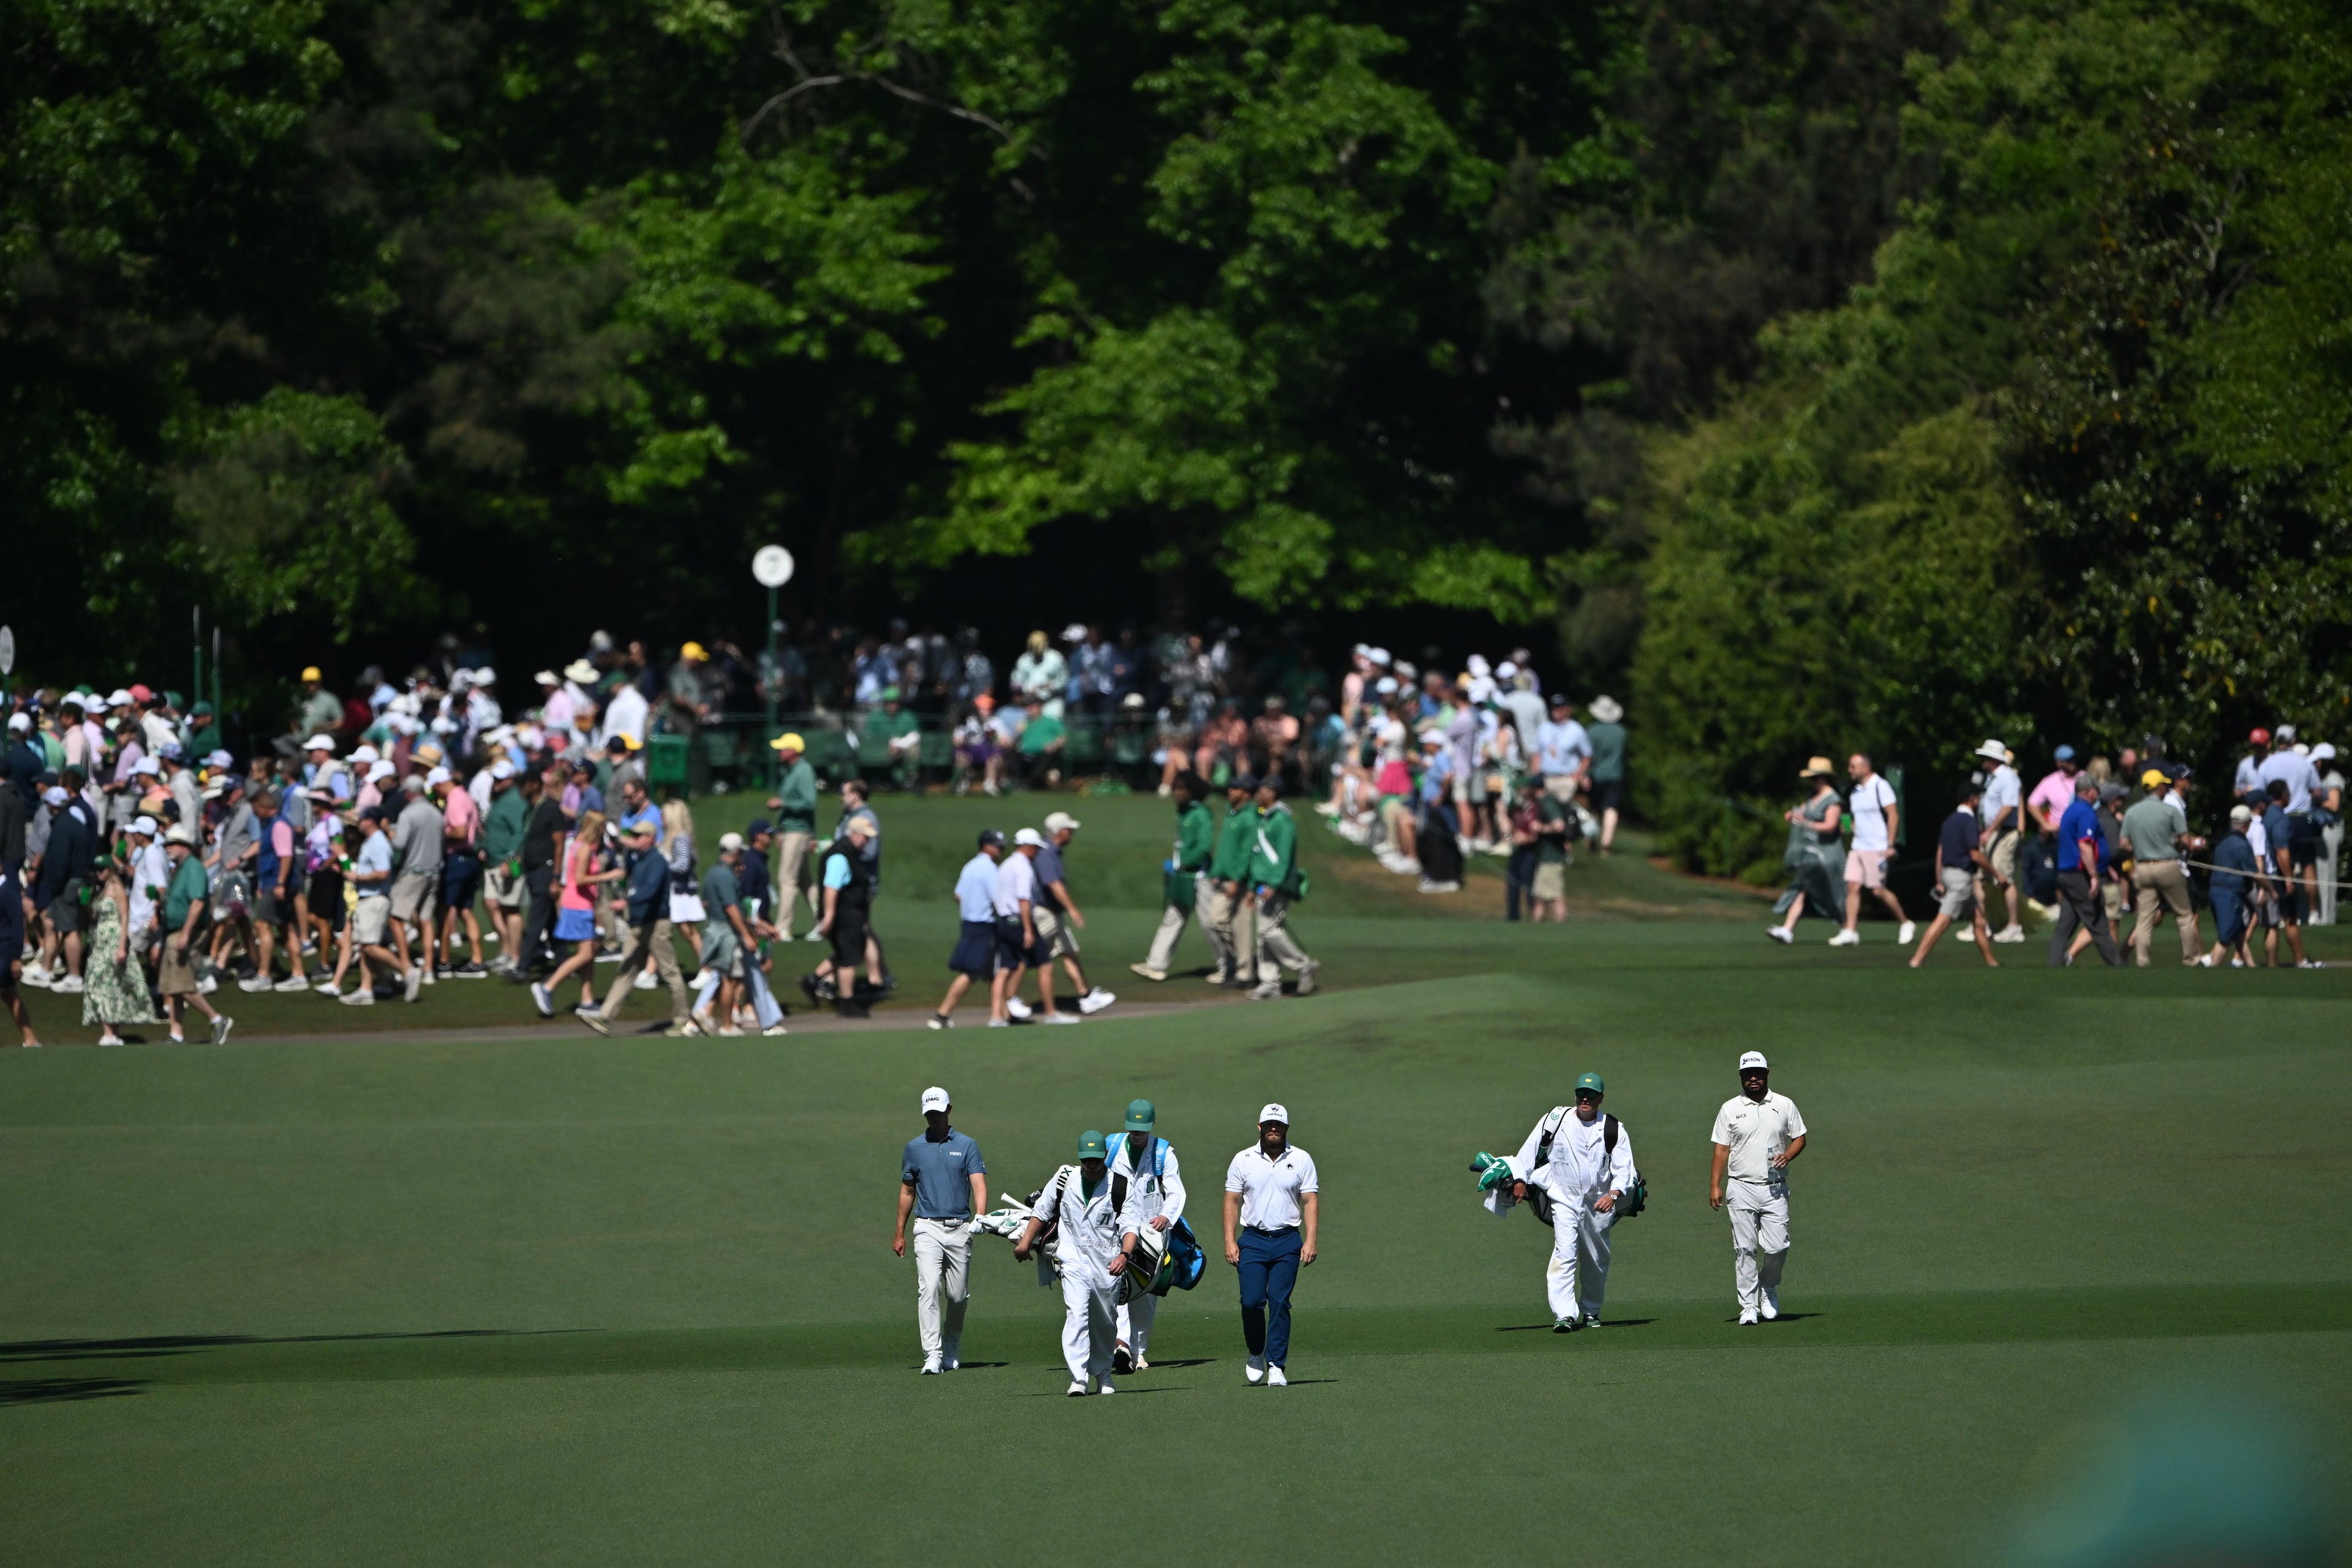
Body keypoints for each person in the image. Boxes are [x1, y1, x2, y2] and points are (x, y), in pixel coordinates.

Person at [1511, 1072, 1635, 1332]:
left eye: (1591, 1095)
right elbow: (1529, 1150)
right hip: (1563, 1198)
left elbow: (1625, 1170)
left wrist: (1612, 1196)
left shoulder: (1613, 1128)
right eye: (1581, 1094)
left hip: (1599, 1202)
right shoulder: (1555, 1120)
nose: (1585, 1099)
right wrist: (1520, 1180)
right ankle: (1564, 1314)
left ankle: (1591, 1311)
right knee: (1564, 1253)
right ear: (1576, 1095)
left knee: (1595, 1257)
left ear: (1601, 1098)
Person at [1016, 1128, 1124, 1396]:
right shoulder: (1065, 1177)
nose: (1091, 1165)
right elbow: (1042, 1211)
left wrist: (1125, 1255)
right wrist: (1025, 1243)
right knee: (1076, 1313)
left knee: (1105, 1320)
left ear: (1105, 1157)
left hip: (1107, 1259)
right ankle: (1079, 1378)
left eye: (1096, 1160)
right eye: (1086, 1160)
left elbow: (1130, 1226)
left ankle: (1103, 1373)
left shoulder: (1120, 1185)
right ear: (1080, 1158)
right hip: (1072, 1256)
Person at [1223, 1103, 1317, 1387]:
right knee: (1251, 1301)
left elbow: (1310, 1201)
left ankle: (1276, 1364)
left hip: (1288, 1240)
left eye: (1279, 1124)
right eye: (1269, 1124)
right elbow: (1232, 1201)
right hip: (1252, 1239)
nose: (1273, 1128)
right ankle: (1256, 1351)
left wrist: (1310, 1240)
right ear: (1260, 1127)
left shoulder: (1301, 1159)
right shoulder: (1243, 1159)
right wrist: (1229, 1240)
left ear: (1286, 1128)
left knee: (1279, 1302)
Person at [895, 1086, 987, 1376]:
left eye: (938, 1112)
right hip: (927, 1228)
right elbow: (908, 1191)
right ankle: (932, 1354)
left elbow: (978, 1185)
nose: (934, 1118)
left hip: (960, 1228)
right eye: (929, 1113)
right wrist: (900, 1231)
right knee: (929, 1288)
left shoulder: (967, 1145)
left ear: (949, 1110)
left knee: (958, 1296)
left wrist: (980, 1217)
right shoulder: (913, 1148)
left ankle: (952, 1345)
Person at [1709, 1051, 1806, 1326]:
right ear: (1741, 1076)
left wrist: (1788, 1155)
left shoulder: (1784, 1105)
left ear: (1766, 1075)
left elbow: (1800, 1137)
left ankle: (1769, 1287)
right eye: (1748, 1074)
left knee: (1778, 1246)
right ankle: (1749, 1306)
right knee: (1745, 1249)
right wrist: (1715, 1185)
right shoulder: (1729, 1108)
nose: (1754, 1078)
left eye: (1759, 1073)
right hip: (1741, 1187)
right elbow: (1722, 1148)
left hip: (1775, 1188)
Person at [587, 807, 694, 1037]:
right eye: (633, 836)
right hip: (638, 923)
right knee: (626, 971)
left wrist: (625, 903)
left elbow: (649, 892)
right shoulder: (639, 859)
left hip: (656, 924)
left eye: (638, 836)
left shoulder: (657, 861)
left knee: (670, 973)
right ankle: (605, 1017)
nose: (633, 839)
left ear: (650, 838)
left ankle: (683, 1019)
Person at [1109, 1099, 1183, 1374]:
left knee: (1145, 1291)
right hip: (1118, 1227)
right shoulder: (1113, 1145)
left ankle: (1139, 1351)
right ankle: (1122, 1347)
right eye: (1133, 1128)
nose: (1137, 1133)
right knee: (1120, 1287)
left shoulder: (1164, 1152)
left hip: (1153, 1231)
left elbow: (1176, 1191)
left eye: (1142, 1128)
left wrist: (1167, 1216)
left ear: (1151, 1126)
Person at [1131, 772, 1218, 981]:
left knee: (1210, 923)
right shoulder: (1184, 812)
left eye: (1182, 789)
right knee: (1173, 917)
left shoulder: (1200, 814)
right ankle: (1156, 965)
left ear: (1192, 791)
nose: (1177, 793)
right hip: (1184, 875)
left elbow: (1204, 846)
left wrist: (1185, 862)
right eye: (1176, 789)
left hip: (1200, 876)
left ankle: (1228, 965)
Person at [1028, 810, 1114, 1014]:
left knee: (1070, 952)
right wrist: (1073, 910)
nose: (1072, 833)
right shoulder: (1046, 853)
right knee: (1026, 959)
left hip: (1053, 914)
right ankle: (1007, 1000)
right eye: (1070, 830)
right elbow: (1054, 885)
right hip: (1044, 914)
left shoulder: (1053, 851)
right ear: (1061, 832)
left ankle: (1086, 997)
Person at [1910, 775, 2000, 968]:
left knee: (1977, 919)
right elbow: (1975, 854)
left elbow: (1940, 852)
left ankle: (1991, 962)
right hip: (1961, 878)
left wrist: (1939, 880)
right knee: (1943, 921)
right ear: (1973, 798)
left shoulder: (1949, 821)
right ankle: (1916, 961)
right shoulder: (1968, 820)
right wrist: (1996, 873)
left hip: (1949, 874)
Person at [2120, 769, 2203, 967]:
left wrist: (2140, 848)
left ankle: (2142, 960)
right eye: (2163, 785)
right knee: (2184, 914)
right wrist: (2193, 844)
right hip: (2167, 866)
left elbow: (2123, 844)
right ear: (2158, 788)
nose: (2165, 788)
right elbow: (2185, 841)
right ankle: (2191, 958)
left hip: (2142, 867)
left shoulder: (2132, 811)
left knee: (2145, 917)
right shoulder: (2170, 810)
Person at [1245, 777, 1318, 999]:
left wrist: (1274, 884)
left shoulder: (1282, 821)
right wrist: (1252, 886)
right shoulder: (1265, 818)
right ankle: (1270, 982)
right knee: (1263, 934)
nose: (1258, 793)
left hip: (1275, 885)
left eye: (1262, 789)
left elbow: (1284, 858)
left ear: (1273, 792)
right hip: (1262, 883)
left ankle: (1302, 965)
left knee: (1268, 930)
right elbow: (1258, 855)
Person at [159, 825, 233, 1041]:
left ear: (185, 847)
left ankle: (217, 1020)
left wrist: (186, 934)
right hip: (175, 931)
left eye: (172, 844)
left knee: (182, 984)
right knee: (172, 986)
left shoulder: (193, 868)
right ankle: (176, 1033)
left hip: (187, 932)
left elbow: (198, 903)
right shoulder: (181, 869)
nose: (167, 848)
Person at [1830, 752, 1912, 947]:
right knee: (1853, 886)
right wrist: (1849, 828)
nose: (1850, 770)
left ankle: (1906, 923)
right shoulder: (1855, 791)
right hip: (1858, 846)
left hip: (1877, 847)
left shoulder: (1880, 786)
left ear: (1865, 768)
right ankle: (1850, 931)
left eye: (1853, 766)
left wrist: (1890, 845)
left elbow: (1893, 815)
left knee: (1877, 890)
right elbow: (1856, 821)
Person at [80, 852, 157, 1045]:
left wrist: (122, 946)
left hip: (114, 939)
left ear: (110, 870)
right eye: (96, 869)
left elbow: (125, 917)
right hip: (99, 940)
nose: (98, 873)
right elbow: (92, 918)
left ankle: (110, 1033)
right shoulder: (99, 889)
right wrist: (85, 902)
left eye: (102, 869)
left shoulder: (117, 888)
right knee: (98, 983)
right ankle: (111, 1033)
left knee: (110, 984)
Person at [930, 829, 1003, 1029]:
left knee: (994, 972)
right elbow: (998, 900)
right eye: (997, 846)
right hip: (984, 926)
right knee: (973, 972)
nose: (1001, 850)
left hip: (969, 923)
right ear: (986, 846)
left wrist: (974, 902)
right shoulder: (989, 869)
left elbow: (958, 895)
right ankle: (942, 1015)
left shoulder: (970, 866)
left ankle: (1001, 1015)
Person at [2048, 774, 2124, 967]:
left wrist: (2103, 866)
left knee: (2065, 925)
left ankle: (2054, 965)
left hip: (2066, 874)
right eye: (2096, 791)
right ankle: (2117, 966)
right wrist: (2093, 876)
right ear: (2089, 792)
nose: (2098, 794)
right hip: (2079, 875)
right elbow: (2085, 845)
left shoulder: (2070, 811)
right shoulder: (2086, 813)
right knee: (2098, 922)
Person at [1769, 758, 1845, 943]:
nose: (1811, 782)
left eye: (1814, 778)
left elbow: (1830, 826)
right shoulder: (1812, 797)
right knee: (1802, 887)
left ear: (1823, 778)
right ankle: (1788, 930)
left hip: (1828, 855)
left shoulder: (1833, 799)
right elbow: (1803, 813)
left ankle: (1848, 927)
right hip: (1812, 854)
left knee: (1835, 894)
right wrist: (1793, 815)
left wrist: (1807, 824)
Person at [811, 816, 882, 1009]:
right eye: (865, 837)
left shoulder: (851, 853)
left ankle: (812, 980)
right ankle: (847, 1003)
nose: (867, 842)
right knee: (848, 959)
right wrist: (830, 916)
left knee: (848, 953)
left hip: (852, 915)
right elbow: (831, 888)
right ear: (855, 834)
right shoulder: (840, 857)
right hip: (844, 916)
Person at [695, 832, 758, 1034]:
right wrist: (747, 935)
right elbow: (732, 908)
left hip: (713, 928)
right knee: (730, 980)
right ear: (737, 852)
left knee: (724, 977)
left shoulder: (713, 872)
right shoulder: (726, 875)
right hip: (727, 933)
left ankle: (706, 1011)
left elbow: (705, 903)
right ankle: (727, 1026)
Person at [989, 827, 1052, 1027]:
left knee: (1006, 968)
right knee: (1044, 964)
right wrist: (1028, 929)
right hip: (1019, 920)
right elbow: (1024, 900)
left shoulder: (1005, 865)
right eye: (1036, 848)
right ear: (1029, 847)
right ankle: (1050, 1013)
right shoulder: (1024, 867)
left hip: (1004, 921)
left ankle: (997, 1017)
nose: (1038, 852)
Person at [764, 733, 820, 940]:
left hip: (799, 831)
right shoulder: (791, 771)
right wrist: (780, 830)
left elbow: (810, 802)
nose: (779, 752)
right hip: (791, 830)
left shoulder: (804, 771)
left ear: (793, 751)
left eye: (782, 748)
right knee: (805, 881)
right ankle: (825, 922)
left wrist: (783, 804)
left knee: (787, 879)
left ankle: (783, 928)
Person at [1205, 775, 1259, 989]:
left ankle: (1246, 974)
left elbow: (1246, 853)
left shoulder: (1250, 818)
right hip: (1224, 879)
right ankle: (1249, 960)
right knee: (1216, 921)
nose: (1231, 790)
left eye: (1236, 788)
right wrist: (1217, 872)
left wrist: (1237, 879)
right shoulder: (1232, 814)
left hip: (1240, 882)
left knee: (1241, 926)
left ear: (1246, 794)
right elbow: (1225, 850)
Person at [1973, 739, 2027, 941]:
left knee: (2004, 878)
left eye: (1985, 757)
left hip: (2004, 833)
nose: (1982, 761)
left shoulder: (2007, 778)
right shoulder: (1991, 778)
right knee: (1979, 877)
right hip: (1991, 831)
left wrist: (1990, 830)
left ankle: (2014, 926)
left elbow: (2008, 806)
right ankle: (1981, 922)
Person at [2260, 780, 2316, 968]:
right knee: (2290, 919)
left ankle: (2268, 963)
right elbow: (2282, 850)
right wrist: (2289, 879)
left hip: (2266, 874)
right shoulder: (2281, 819)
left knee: (2271, 924)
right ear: (2284, 796)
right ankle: (2301, 960)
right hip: (2279, 876)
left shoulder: (2265, 816)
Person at [2201, 804, 2260, 968]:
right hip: (2229, 894)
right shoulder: (2241, 844)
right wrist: (2270, 890)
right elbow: (2254, 873)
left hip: (2216, 891)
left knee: (2239, 933)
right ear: (2246, 824)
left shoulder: (2223, 842)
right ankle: (2212, 972)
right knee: (2226, 937)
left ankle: (2252, 966)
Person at [0, 862, 37, 1047]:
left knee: (9, 993)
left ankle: (30, 1038)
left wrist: (16, 958)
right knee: (8, 994)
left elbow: (17, 926)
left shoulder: (7, 892)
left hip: (4, 951)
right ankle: (30, 1038)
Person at [1585, 695, 1626, 855]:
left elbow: (1589, 756)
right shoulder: (1621, 733)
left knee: (1594, 808)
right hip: (1615, 774)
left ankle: (1591, 837)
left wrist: (1585, 774)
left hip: (1596, 775)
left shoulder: (1592, 731)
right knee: (1611, 808)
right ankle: (1606, 843)